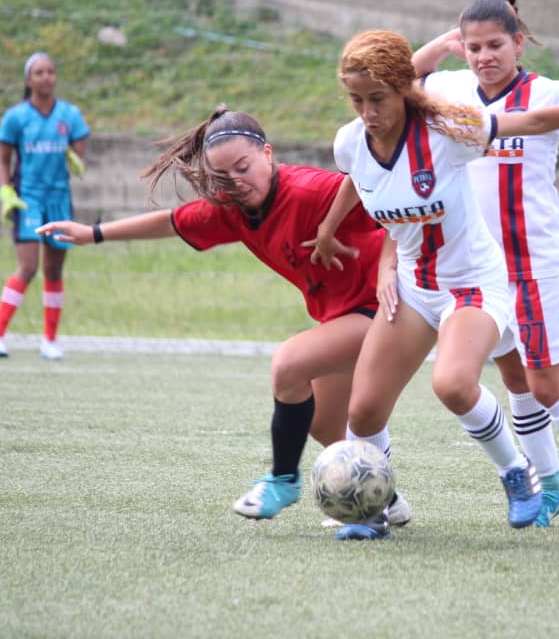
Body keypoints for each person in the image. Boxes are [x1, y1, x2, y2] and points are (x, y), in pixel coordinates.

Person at [310, 28, 559, 539]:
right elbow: (359, 177)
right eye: (356, 99)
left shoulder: (448, 132)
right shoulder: (350, 141)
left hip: (475, 284)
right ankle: (374, 511)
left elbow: (537, 119)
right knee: (363, 412)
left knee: (454, 384)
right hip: (416, 287)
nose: (367, 111)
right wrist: (328, 228)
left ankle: (517, 474)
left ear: (404, 89)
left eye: (378, 98)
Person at [35, 105, 412, 530]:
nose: (235, 180)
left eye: (244, 166)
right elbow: (173, 223)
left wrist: (386, 265)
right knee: (324, 424)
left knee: (289, 364)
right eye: (222, 175)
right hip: (343, 315)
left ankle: (283, 481)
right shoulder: (232, 211)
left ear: (268, 154)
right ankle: (383, 499)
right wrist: (94, 233)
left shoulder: (310, 191)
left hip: (390, 306)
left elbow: (394, 202)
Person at [410, 0, 559, 532]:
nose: (485, 56)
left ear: (519, 44)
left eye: (495, 44)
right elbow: (397, 79)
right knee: (514, 380)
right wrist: (441, 46)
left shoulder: (548, 96)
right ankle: (551, 487)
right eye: (474, 46)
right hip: (478, 272)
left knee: (544, 385)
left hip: (534, 265)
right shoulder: (449, 87)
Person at [0, 52, 90, 361]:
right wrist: (6, 191)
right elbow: (4, 160)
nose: (46, 77)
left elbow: (80, 155)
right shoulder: (16, 117)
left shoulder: (70, 115)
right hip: (28, 198)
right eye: (39, 73)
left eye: (51, 72)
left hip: (59, 199)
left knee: (54, 268)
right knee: (28, 266)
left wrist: (75, 160)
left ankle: (50, 341)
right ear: (29, 80)